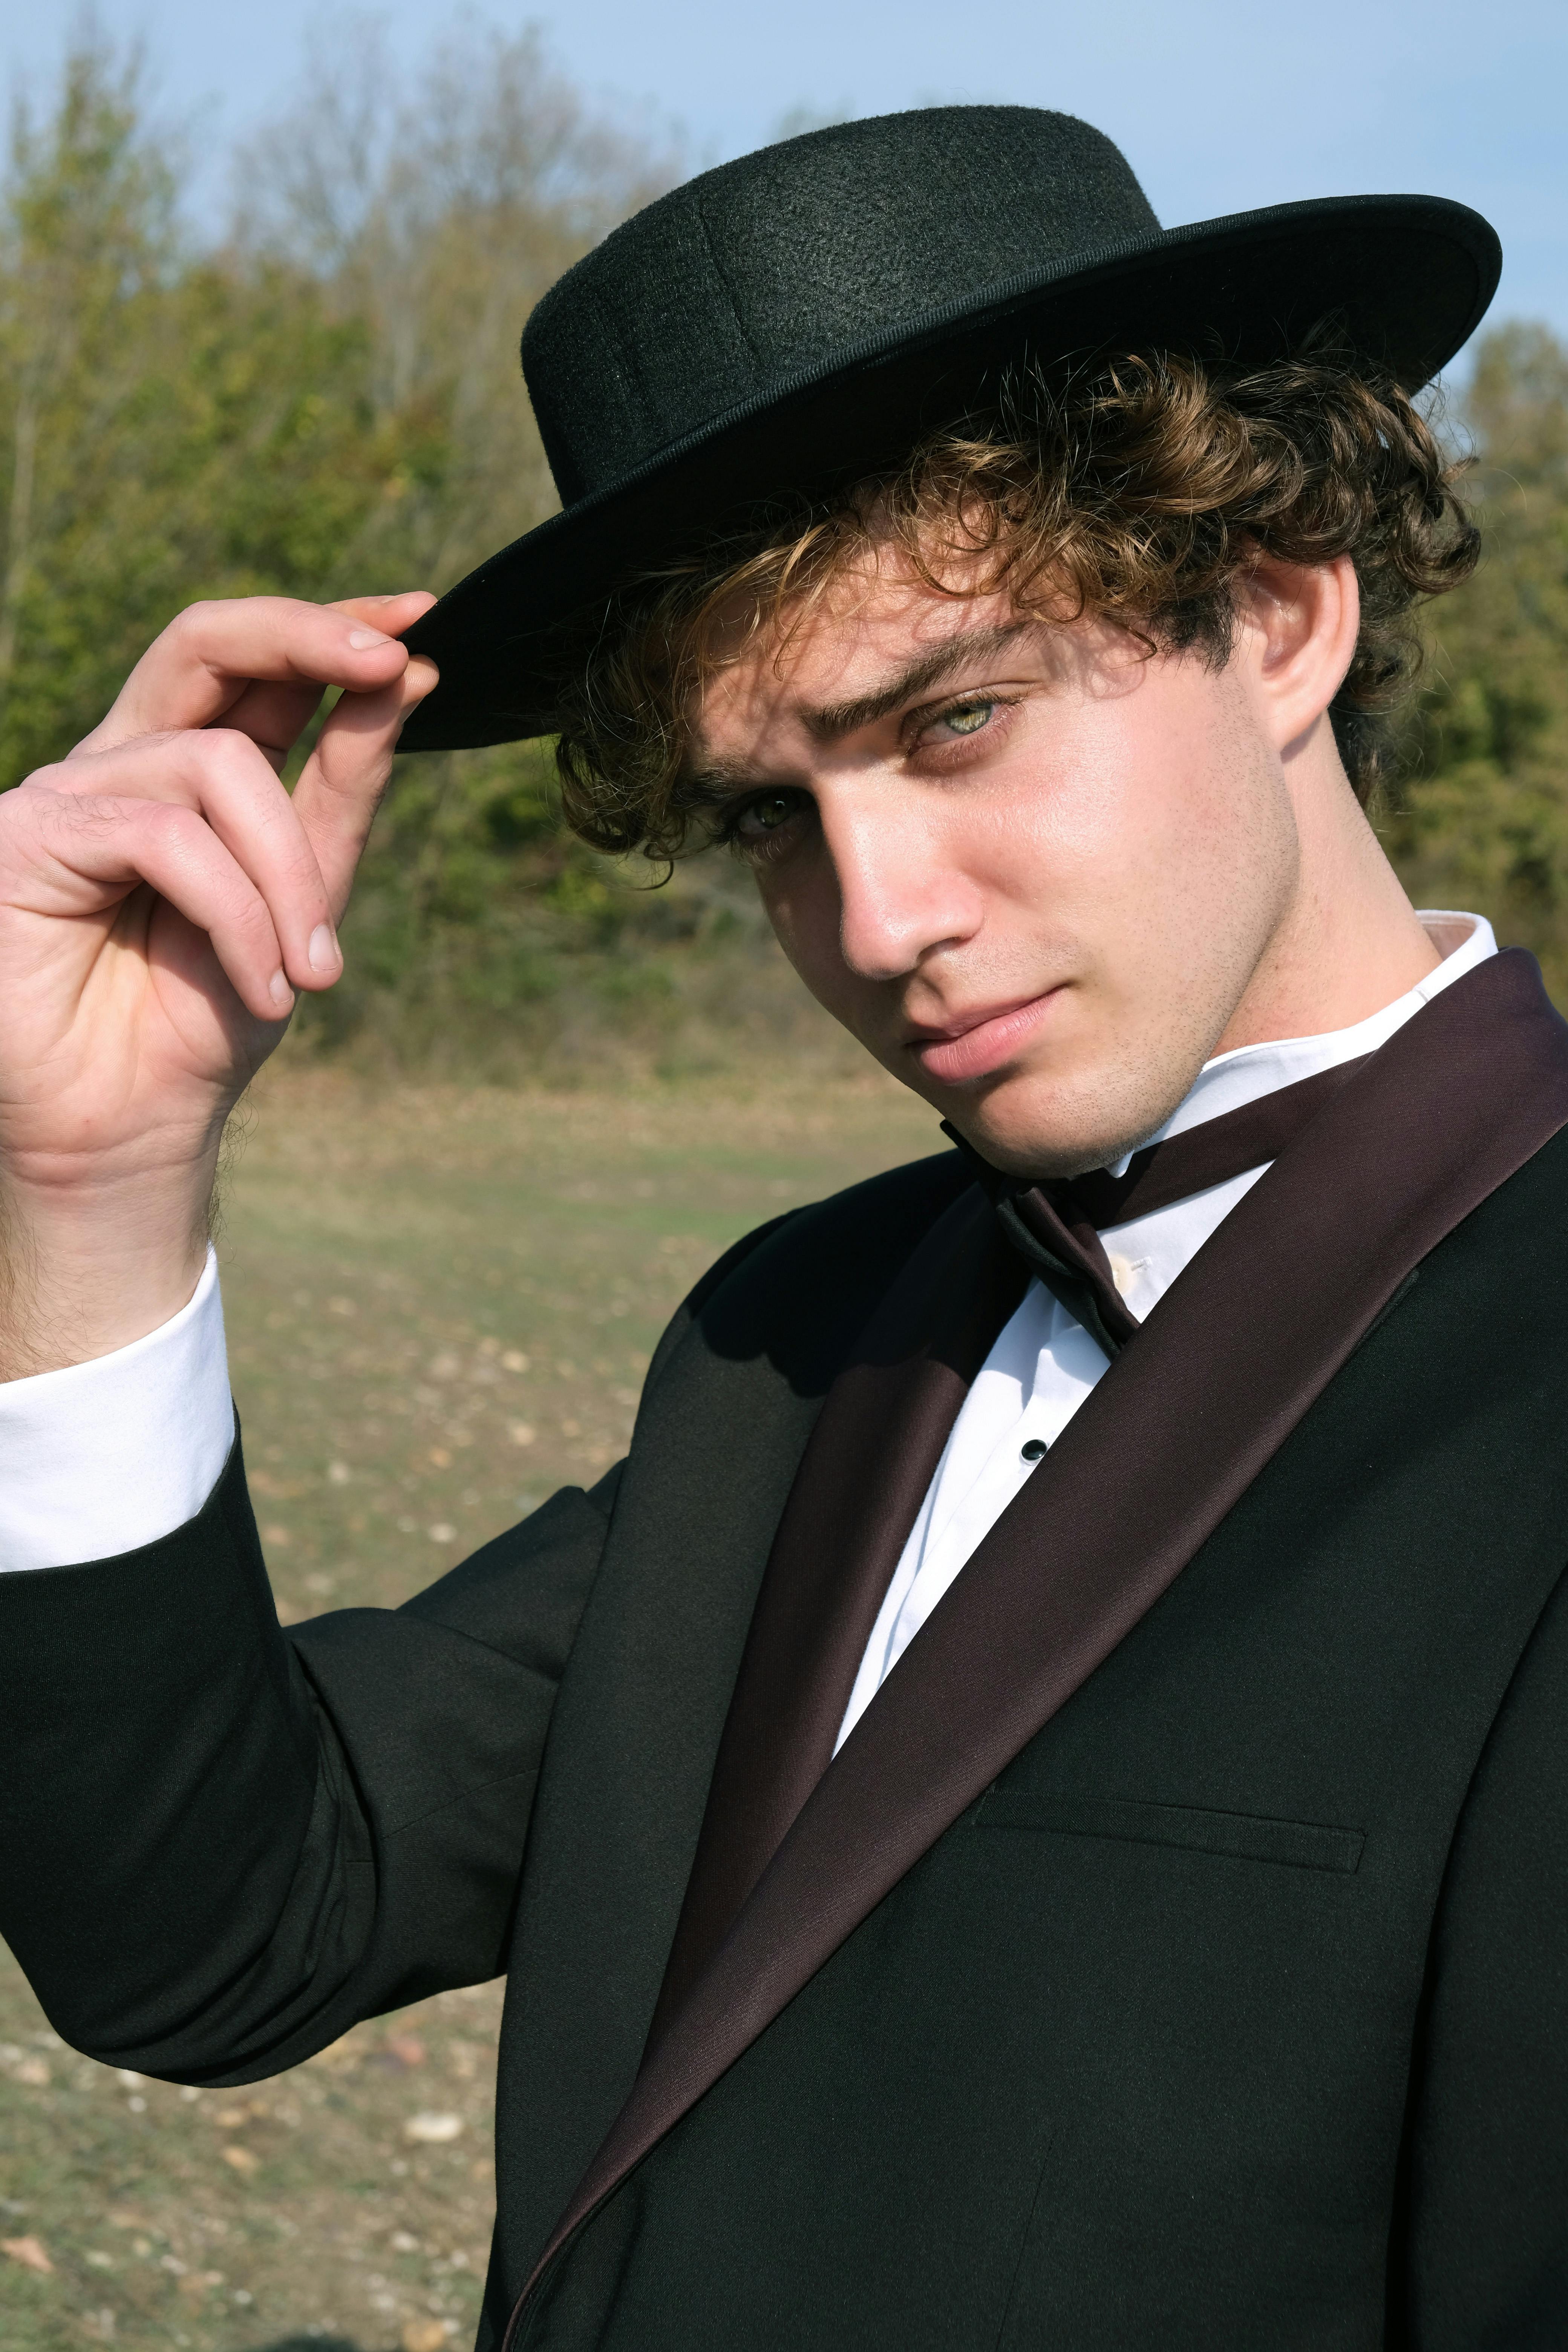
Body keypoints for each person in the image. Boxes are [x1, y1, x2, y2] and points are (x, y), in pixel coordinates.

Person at [0, 104, 1561, 2351]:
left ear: (1285, 608)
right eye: (771, 817)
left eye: (957, 721)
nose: (878, 920)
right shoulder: (795, 1334)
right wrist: (92, 1190)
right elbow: (220, 1927)